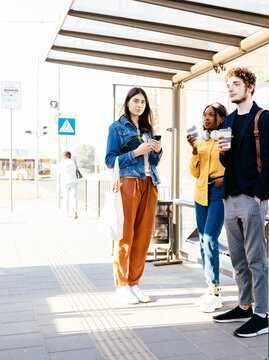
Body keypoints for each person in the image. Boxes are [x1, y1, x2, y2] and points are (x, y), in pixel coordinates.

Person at [214, 67, 269, 337]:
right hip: (230, 197)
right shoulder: (229, 122)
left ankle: (261, 314)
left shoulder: (264, 118)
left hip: (251, 198)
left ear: (250, 88)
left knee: (256, 259)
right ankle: (245, 305)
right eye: (228, 86)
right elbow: (228, 162)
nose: (231, 89)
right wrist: (223, 152)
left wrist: (259, 195)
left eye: (236, 84)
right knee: (237, 258)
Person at [105, 87, 162, 305]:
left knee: (143, 237)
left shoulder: (148, 129)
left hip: (150, 183)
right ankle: (121, 285)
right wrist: (136, 153)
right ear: (128, 102)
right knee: (124, 236)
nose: (139, 105)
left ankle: (134, 284)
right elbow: (110, 160)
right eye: (136, 101)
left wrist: (156, 150)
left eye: (143, 102)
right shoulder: (117, 128)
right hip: (128, 183)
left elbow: (154, 162)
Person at [187, 102, 227, 313]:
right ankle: (210, 288)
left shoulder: (226, 139)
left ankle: (216, 292)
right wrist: (194, 151)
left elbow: (235, 164)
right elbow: (195, 172)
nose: (207, 118)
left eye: (212, 115)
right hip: (200, 193)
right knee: (202, 241)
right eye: (205, 115)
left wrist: (224, 179)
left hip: (219, 193)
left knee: (211, 238)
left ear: (221, 118)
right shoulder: (201, 141)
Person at [58, 151, 79, 219]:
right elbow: (77, 169)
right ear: (70, 156)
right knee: (74, 197)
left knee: (65, 198)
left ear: (64, 156)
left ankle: (66, 213)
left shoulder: (62, 163)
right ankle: (75, 210)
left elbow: (59, 172)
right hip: (74, 181)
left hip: (65, 182)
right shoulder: (74, 162)